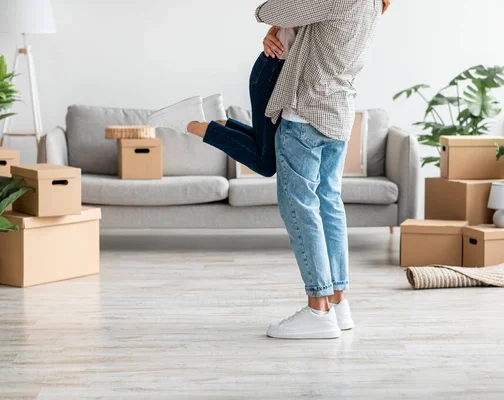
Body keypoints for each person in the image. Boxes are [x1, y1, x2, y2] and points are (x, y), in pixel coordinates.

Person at [147, 0, 391, 340]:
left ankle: (318, 309)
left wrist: (273, 25)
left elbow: (268, 10)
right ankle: (337, 303)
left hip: (306, 112)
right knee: (328, 206)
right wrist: (274, 31)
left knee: (301, 210)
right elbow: (299, 28)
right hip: (337, 114)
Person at [146, 27, 297, 177]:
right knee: (267, 164)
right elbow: (276, 13)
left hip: (277, 70)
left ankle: (218, 122)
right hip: (275, 71)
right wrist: (275, 30)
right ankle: (191, 122)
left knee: (264, 149)